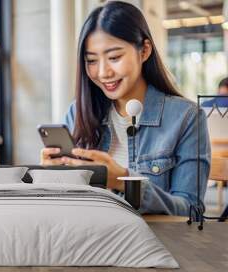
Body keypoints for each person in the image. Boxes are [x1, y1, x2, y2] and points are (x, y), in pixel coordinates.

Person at [40, 1, 210, 216]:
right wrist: (50, 179)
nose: (103, 72)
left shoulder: (186, 117)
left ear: (144, 50)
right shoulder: (78, 112)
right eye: (91, 60)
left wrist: (123, 181)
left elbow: (191, 211)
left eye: (114, 57)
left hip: (150, 244)